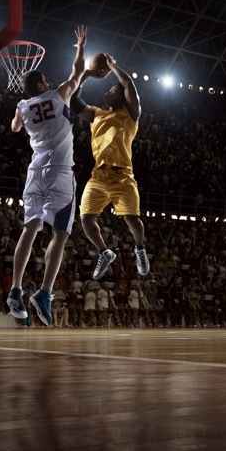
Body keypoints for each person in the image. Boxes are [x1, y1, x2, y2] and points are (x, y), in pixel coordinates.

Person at [6, 25, 89, 327]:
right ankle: (44, 293)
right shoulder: (58, 95)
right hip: (59, 173)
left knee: (30, 229)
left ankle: (15, 289)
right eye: (44, 78)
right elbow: (78, 72)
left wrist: (21, 107)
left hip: (34, 172)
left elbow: (15, 128)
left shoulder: (23, 106)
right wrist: (80, 46)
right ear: (42, 83)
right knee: (61, 234)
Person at [73, 54, 150, 281]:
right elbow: (74, 101)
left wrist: (112, 65)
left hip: (122, 177)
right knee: (86, 219)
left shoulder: (131, 115)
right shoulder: (97, 114)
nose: (107, 91)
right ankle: (104, 252)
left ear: (122, 97)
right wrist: (86, 74)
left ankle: (140, 250)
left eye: (112, 90)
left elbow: (129, 84)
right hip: (98, 176)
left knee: (132, 220)